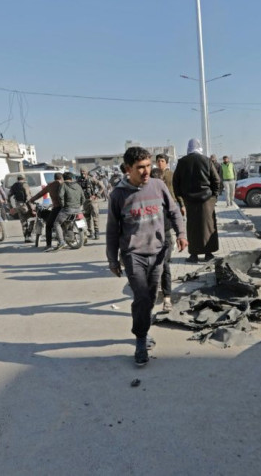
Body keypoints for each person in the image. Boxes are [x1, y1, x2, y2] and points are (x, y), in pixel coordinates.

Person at [107, 147, 187, 366]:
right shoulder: (118, 195)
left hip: (159, 251)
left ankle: (142, 328)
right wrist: (112, 259)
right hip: (134, 254)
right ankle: (141, 339)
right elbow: (112, 230)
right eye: (140, 167)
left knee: (149, 298)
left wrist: (181, 234)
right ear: (127, 169)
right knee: (142, 296)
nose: (146, 171)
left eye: (148, 166)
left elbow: (174, 212)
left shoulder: (158, 186)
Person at [172, 138, 221, 263]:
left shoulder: (182, 162)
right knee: (208, 227)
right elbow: (216, 180)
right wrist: (214, 196)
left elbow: (176, 182)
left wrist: (180, 199)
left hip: (189, 200)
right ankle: (208, 254)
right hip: (207, 200)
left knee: (192, 227)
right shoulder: (206, 160)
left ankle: (193, 254)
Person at [150, 167, 175, 311]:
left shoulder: (167, 197)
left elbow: (175, 216)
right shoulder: (144, 196)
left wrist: (181, 235)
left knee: (164, 265)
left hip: (165, 235)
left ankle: (167, 298)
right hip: (149, 237)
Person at [49, 172, 84, 251]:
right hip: (78, 209)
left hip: (68, 209)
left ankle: (61, 242)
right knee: (78, 222)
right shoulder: (78, 185)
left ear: (64, 179)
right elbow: (83, 198)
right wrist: (79, 205)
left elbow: (60, 196)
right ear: (72, 178)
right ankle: (83, 236)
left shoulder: (63, 185)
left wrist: (63, 205)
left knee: (57, 223)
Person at [29, 172, 63, 250]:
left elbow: (40, 194)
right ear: (62, 178)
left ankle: (48, 245)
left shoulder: (51, 185)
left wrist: (31, 200)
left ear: (54, 178)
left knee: (48, 225)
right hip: (68, 207)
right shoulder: (65, 184)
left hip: (57, 208)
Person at [77, 168, 105, 240]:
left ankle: (97, 233)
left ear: (87, 172)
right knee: (87, 217)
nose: (82, 173)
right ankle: (91, 233)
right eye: (81, 171)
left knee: (95, 216)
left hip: (92, 201)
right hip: (84, 201)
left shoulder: (91, 179)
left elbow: (102, 187)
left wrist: (96, 195)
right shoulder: (78, 180)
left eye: (83, 171)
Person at [9, 175, 34, 242]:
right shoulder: (25, 184)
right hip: (25, 204)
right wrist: (31, 205)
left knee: (23, 221)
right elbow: (28, 195)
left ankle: (25, 237)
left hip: (18, 205)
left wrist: (10, 206)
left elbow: (9, 195)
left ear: (17, 179)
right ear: (23, 179)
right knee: (32, 218)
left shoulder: (14, 185)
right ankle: (29, 234)